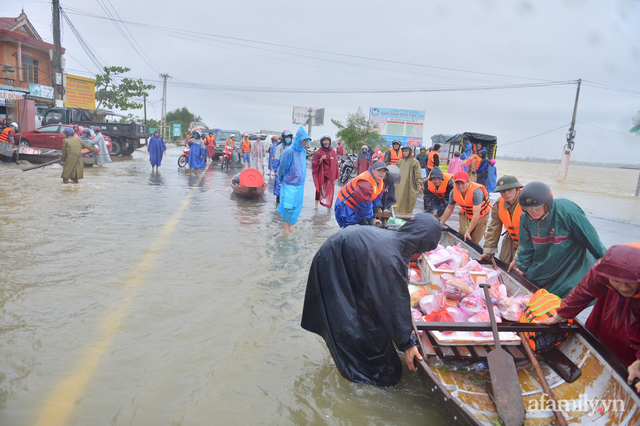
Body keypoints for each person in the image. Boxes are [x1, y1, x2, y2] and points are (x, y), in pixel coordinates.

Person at [301, 213, 442, 387]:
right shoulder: (392, 256)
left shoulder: (394, 239)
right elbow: (393, 302)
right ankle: (359, 377)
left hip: (341, 255)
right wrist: (407, 343)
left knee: (365, 315)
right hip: (333, 262)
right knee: (351, 324)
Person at [539, 243, 640, 392]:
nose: (624, 288)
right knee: (602, 335)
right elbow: (584, 291)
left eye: (628, 283)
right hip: (610, 304)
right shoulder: (603, 269)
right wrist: (560, 315)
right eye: (617, 281)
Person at [509, 181, 606, 298]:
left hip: (570, 267)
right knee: (538, 299)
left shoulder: (568, 212)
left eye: (537, 207)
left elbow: (592, 240)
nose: (533, 211)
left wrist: (609, 264)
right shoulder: (525, 218)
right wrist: (520, 265)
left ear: (547, 203)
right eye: (528, 208)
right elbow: (526, 247)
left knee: (569, 300)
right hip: (544, 266)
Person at [479, 175, 523, 265]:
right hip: (511, 236)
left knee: (521, 265)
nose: (506, 193)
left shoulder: (526, 203)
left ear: (518, 190)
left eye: (509, 189)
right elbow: (494, 228)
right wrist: (488, 251)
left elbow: (532, 233)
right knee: (504, 262)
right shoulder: (499, 204)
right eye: (503, 191)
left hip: (527, 239)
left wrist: (517, 258)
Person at [439, 171, 492, 244]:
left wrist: (468, 231)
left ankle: (484, 233)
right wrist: (441, 223)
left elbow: (476, 215)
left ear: (468, 182)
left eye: (463, 183)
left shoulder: (476, 192)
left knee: (474, 240)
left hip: (481, 215)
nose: (460, 186)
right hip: (466, 213)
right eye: (457, 183)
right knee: (463, 235)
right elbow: (449, 208)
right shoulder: (453, 192)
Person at [334, 161, 387, 228]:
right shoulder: (365, 184)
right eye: (379, 170)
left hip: (358, 206)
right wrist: (371, 225)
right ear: (373, 170)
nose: (382, 173)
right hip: (346, 205)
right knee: (350, 229)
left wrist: (374, 218)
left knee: (361, 226)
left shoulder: (380, 183)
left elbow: (375, 201)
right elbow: (365, 206)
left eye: (384, 171)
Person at [277, 127, 309, 236]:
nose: (305, 142)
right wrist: (280, 179)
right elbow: (282, 166)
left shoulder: (303, 152)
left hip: (299, 185)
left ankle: (289, 228)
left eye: (306, 140)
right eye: (303, 140)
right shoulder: (289, 151)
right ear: (298, 139)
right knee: (287, 206)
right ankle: (286, 230)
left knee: (295, 207)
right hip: (289, 184)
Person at [394, 145, 423, 214]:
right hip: (399, 184)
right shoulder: (399, 162)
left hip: (410, 183)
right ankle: (396, 213)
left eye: (406, 151)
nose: (405, 153)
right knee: (397, 198)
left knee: (409, 199)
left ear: (409, 152)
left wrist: (418, 183)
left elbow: (417, 172)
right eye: (403, 151)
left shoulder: (414, 161)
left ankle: (406, 214)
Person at [312, 135, 339, 209]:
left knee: (330, 190)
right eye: (325, 141)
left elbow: (335, 164)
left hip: (330, 174)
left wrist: (335, 174)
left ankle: (329, 205)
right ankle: (316, 204)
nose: (326, 143)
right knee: (319, 189)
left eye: (328, 141)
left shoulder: (332, 151)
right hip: (321, 174)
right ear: (322, 142)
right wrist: (321, 159)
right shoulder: (318, 152)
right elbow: (314, 164)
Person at [273, 130, 293, 204]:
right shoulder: (279, 147)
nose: (288, 139)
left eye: (289, 137)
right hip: (280, 170)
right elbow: (276, 159)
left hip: (289, 171)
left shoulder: (292, 147)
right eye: (286, 137)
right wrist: (275, 171)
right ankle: (278, 203)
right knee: (279, 187)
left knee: (288, 187)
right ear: (283, 138)